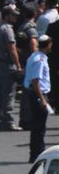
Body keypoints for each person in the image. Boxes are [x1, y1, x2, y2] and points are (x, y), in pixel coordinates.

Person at [0, 5, 23, 131]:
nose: (15, 17)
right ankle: (8, 122)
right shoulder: (7, 29)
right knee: (8, 94)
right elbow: (12, 49)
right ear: (7, 15)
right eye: (13, 15)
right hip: (6, 65)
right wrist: (18, 65)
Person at [24, 34, 53, 162]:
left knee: (37, 125)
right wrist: (42, 99)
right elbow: (36, 81)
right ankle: (37, 153)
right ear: (48, 44)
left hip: (33, 92)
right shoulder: (40, 60)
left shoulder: (34, 56)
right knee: (39, 127)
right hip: (38, 93)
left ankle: (35, 153)